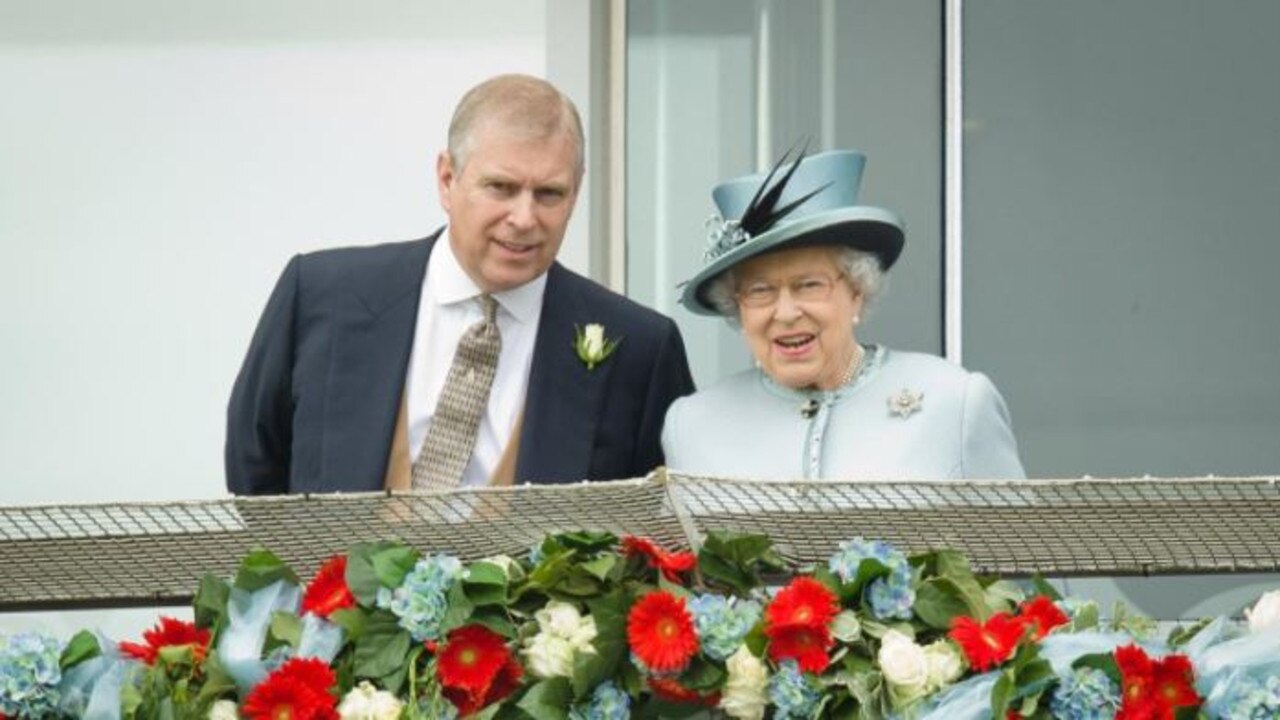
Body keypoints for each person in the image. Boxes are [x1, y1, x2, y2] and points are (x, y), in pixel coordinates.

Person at [226, 74, 694, 495]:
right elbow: (255, 468)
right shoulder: (320, 295)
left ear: (576, 192)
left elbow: (656, 522)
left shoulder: (642, 349)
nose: (525, 218)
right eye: (501, 188)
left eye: (549, 193)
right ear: (447, 179)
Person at [662, 149, 1023, 480]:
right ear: (736, 307)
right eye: (760, 291)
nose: (785, 313)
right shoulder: (692, 425)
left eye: (809, 285)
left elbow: (1016, 548)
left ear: (856, 290)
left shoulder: (955, 403)